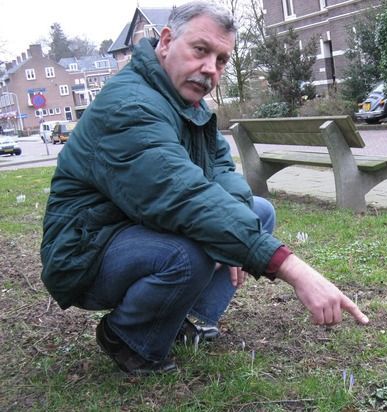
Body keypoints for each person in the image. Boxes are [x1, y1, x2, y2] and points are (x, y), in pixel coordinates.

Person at [40, 0, 368, 375]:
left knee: (256, 212)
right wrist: (291, 268)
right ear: (165, 42)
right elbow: (182, 196)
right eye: (200, 50)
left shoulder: (189, 105)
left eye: (222, 59)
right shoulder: (129, 105)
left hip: (133, 229)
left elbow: (223, 175)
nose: (210, 69)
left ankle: (184, 320)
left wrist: (234, 232)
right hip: (87, 250)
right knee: (188, 252)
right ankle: (127, 337)